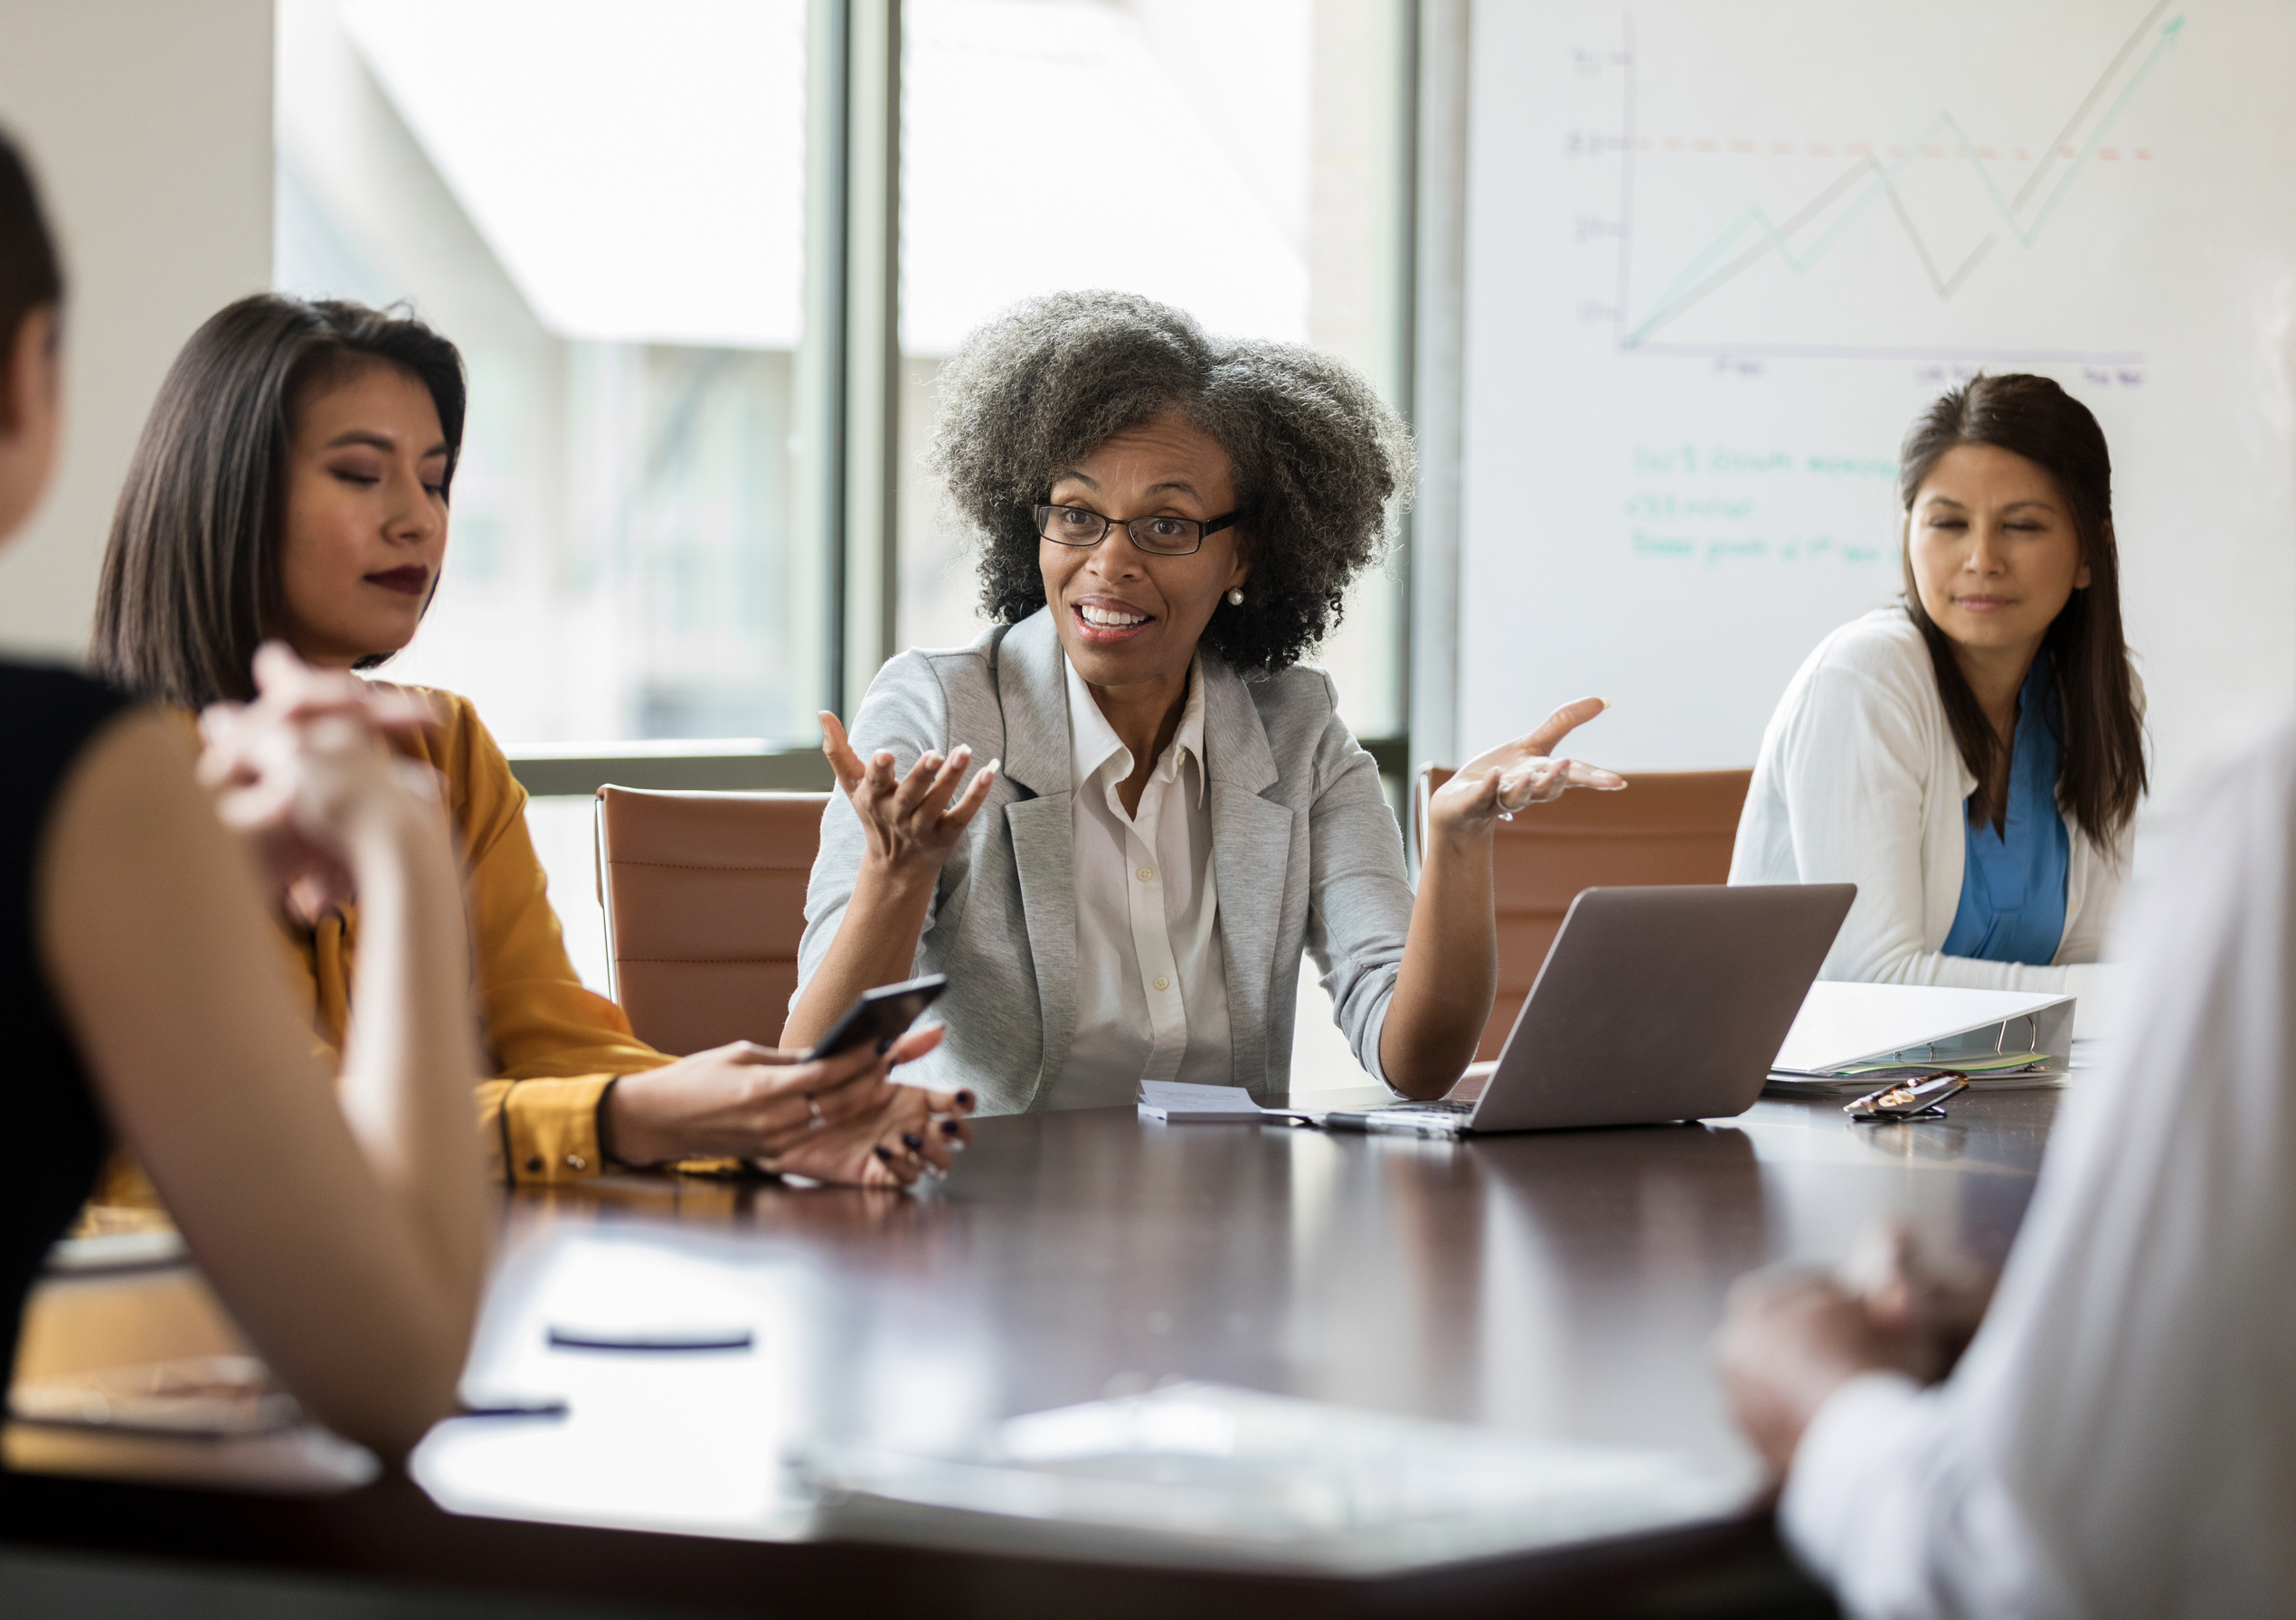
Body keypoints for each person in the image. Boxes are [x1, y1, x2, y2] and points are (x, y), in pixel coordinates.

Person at [0, 63, 508, 1612]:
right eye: (361, 475)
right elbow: (395, 1360)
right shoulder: (62, 781)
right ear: (23, 385)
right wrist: (406, 864)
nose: (407, 514)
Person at [91, 295, 966, 1191]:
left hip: (426, 1267)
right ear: (226, 491)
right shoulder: (115, 783)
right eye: (361, 474)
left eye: (435, 480)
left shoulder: (445, 744)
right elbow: (279, 1127)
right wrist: (644, 1117)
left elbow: (557, 1040)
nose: (418, 520)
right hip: (161, 1303)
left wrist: (776, 1114)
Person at [785, 291, 1623, 1111]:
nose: (1109, 562)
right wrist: (898, 876)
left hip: (1235, 1220)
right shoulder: (943, 711)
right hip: (989, 1222)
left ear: (1245, 557)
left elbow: (1419, 1065)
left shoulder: (1294, 731)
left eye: (1166, 526)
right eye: (1077, 515)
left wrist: (1458, 839)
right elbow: (811, 1073)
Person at [1716, 711, 2296, 1618]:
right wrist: (2119, 1312)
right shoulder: (1868, 688)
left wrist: (1823, 1400)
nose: (1981, 559)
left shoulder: (2274, 809)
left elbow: (2020, 1569)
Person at [1729, 373, 2145, 992]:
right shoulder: (1865, 679)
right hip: (1824, 1081)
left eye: (2022, 526)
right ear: (1909, 535)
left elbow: (2085, 962)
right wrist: (2145, 995)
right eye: (1949, 524)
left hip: (2003, 1080)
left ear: (2090, 553)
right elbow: (1875, 982)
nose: (1981, 558)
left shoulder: (2103, 695)